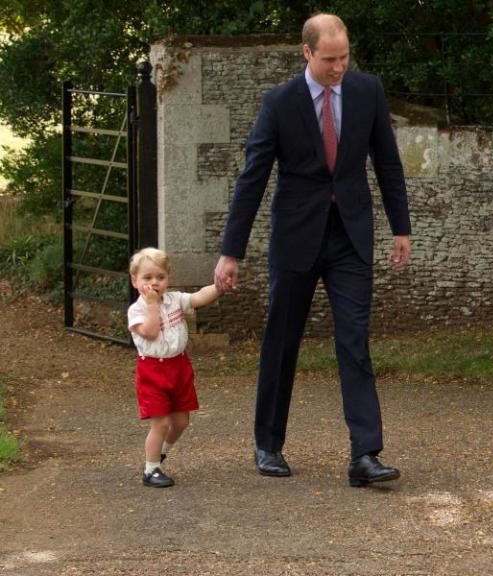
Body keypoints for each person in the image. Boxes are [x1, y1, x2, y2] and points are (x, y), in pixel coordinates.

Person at [214, 12, 411, 487]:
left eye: (344, 57)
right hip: (295, 239)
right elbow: (252, 177)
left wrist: (400, 229)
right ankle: (268, 444)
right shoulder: (279, 103)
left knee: (354, 342)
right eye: (329, 59)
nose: (338, 67)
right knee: (281, 343)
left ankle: (365, 455)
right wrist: (231, 251)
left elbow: (387, 161)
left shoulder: (368, 91)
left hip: (350, 237)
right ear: (307, 53)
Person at [128, 247, 223, 488]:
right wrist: (151, 304)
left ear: (168, 278)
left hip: (179, 367)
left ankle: (160, 453)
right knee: (160, 423)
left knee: (181, 421)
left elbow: (198, 298)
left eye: (160, 277)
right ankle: (150, 470)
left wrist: (219, 286)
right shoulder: (137, 310)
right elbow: (149, 332)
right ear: (135, 280)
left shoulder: (175, 300)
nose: (154, 283)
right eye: (147, 278)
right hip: (153, 371)